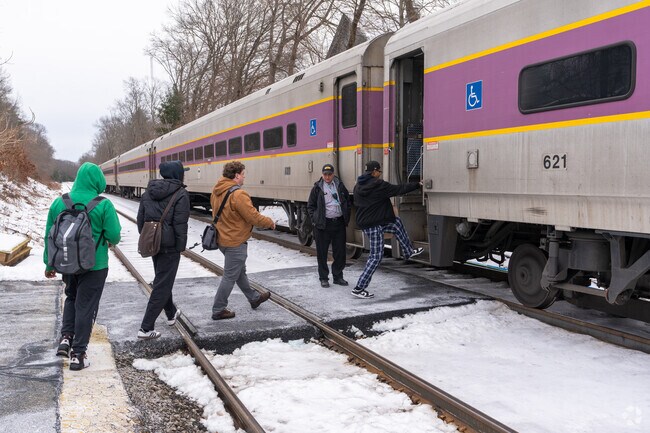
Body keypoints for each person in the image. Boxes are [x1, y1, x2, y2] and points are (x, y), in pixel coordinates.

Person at [44, 162, 122, 370]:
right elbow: (114, 235)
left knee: (71, 297)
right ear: (97, 181)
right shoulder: (103, 204)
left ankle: (66, 338)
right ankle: (78, 354)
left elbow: (49, 236)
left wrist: (49, 263)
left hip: (67, 263)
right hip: (95, 265)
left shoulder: (59, 202)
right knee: (86, 306)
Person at [210, 161, 275, 320]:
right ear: (237, 175)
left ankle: (254, 298)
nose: (244, 177)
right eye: (243, 174)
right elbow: (253, 216)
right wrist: (270, 222)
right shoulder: (238, 194)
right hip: (235, 240)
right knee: (230, 276)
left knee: (239, 272)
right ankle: (218, 309)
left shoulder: (216, 190)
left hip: (223, 238)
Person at [351, 160, 424, 299]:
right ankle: (359, 288)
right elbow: (398, 190)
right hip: (373, 225)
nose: (380, 173)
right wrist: (417, 184)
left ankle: (408, 251)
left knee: (396, 223)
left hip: (370, 222)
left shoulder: (358, 186)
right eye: (379, 171)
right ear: (374, 172)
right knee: (376, 257)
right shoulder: (379, 185)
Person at [136, 160, 190, 339]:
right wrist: (179, 247)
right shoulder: (181, 193)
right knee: (162, 285)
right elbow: (180, 224)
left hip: (155, 243)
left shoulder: (148, 192)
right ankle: (145, 328)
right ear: (178, 174)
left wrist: (151, 238)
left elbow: (140, 219)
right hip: (170, 246)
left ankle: (170, 313)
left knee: (162, 279)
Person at [307, 163, 352, 288]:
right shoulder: (317, 188)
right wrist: (315, 219)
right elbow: (310, 206)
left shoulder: (340, 186)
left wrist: (346, 215)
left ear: (333, 174)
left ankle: (338, 276)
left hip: (338, 223)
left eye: (329, 174)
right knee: (322, 253)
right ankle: (323, 278)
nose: (327, 177)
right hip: (323, 225)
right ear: (322, 175)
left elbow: (347, 201)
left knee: (340, 252)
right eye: (325, 175)